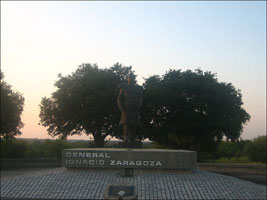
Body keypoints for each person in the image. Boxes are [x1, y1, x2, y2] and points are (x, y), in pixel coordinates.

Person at [117, 73, 142, 143]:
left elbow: (140, 97)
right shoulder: (123, 88)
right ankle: (126, 138)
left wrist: (139, 104)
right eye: (129, 77)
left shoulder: (138, 88)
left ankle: (132, 139)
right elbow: (119, 99)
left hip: (135, 107)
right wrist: (121, 108)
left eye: (132, 77)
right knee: (126, 123)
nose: (131, 78)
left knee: (134, 123)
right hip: (126, 107)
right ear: (127, 78)